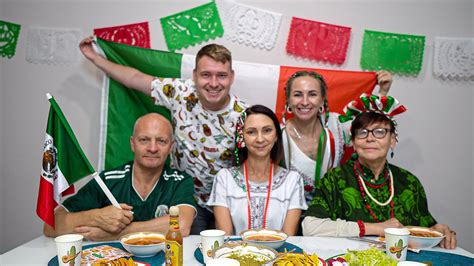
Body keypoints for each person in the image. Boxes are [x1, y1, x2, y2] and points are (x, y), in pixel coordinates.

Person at [79, 37, 247, 234]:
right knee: (184, 254)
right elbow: (134, 78)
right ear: (194, 75)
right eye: (205, 75)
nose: (213, 83)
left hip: (227, 203)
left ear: (232, 77)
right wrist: (96, 58)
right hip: (187, 199)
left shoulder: (244, 115)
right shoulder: (180, 92)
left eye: (221, 76)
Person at [302, 94, 457, 249]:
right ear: (353, 143)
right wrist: (376, 228)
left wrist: (439, 230)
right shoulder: (334, 179)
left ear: (393, 140)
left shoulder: (409, 182)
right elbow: (310, 227)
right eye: (362, 132)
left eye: (380, 131)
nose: (370, 138)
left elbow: (424, 230)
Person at [43, 113, 196, 241]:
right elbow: (50, 226)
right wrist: (96, 217)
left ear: (171, 146)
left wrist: (115, 233)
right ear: (132, 144)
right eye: (144, 140)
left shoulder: (180, 181)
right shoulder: (108, 180)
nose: (152, 148)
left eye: (161, 141)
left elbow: (181, 225)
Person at [282, 70, 393, 204]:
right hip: (290, 217)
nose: (305, 102)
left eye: (312, 94)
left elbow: (368, 124)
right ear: (288, 100)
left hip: (334, 213)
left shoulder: (337, 124)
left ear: (322, 100)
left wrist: (382, 91)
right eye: (297, 95)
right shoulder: (277, 135)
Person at [207, 105, 307, 236]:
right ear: (241, 138)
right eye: (251, 132)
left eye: (267, 130)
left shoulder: (292, 180)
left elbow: (287, 237)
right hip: (234, 254)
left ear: (276, 136)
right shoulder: (224, 179)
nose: (260, 139)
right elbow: (225, 237)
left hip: (280, 255)